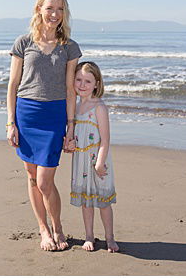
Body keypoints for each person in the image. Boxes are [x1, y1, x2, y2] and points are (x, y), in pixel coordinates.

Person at [6, 0, 82, 251]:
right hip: (26, 115)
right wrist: (10, 123)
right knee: (30, 177)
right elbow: (13, 84)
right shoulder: (23, 43)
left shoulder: (70, 47)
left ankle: (58, 227)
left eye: (60, 9)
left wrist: (71, 128)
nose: (55, 14)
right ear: (39, 9)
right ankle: (43, 230)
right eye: (50, 8)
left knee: (44, 181)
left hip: (53, 117)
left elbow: (71, 90)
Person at [67, 61, 118, 253]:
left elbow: (105, 140)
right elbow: (74, 136)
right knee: (86, 202)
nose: (82, 84)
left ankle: (110, 237)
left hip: (98, 162)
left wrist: (99, 163)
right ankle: (89, 236)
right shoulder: (75, 108)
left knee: (103, 202)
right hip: (80, 162)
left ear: (97, 83)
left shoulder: (99, 108)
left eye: (87, 81)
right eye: (78, 79)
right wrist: (70, 144)